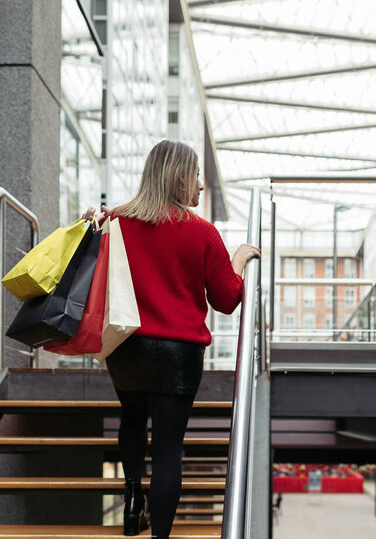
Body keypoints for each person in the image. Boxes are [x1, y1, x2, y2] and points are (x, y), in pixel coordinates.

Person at [83, 140, 260, 538]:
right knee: (167, 447)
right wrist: (237, 260)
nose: (200, 186)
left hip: (127, 346)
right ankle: (159, 535)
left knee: (131, 417)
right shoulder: (202, 232)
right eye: (196, 175)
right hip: (179, 353)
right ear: (179, 177)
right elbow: (228, 299)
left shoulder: (116, 222)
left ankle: (132, 506)